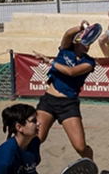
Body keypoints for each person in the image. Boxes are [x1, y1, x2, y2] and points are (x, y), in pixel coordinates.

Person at [34, 21, 99, 159]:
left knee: (80, 147)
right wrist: (80, 28)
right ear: (76, 42)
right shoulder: (65, 49)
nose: (88, 45)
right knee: (36, 138)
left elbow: (71, 72)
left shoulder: (89, 62)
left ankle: (90, 167)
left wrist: (50, 61)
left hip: (68, 104)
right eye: (85, 41)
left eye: (89, 42)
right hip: (49, 101)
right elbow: (68, 34)